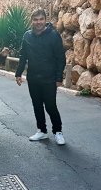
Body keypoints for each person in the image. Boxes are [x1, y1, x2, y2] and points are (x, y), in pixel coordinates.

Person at [15, 9, 66, 145]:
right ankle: (42, 131)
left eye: (41, 19)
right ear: (32, 21)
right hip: (33, 78)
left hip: (49, 78)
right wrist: (18, 73)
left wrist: (58, 77)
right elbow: (23, 56)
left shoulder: (53, 35)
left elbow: (60, 58)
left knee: (50, 105)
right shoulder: (27, 36)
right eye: (35, 19)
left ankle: (58, 131)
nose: (38, 22)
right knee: (37, 105)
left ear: (45, 20)